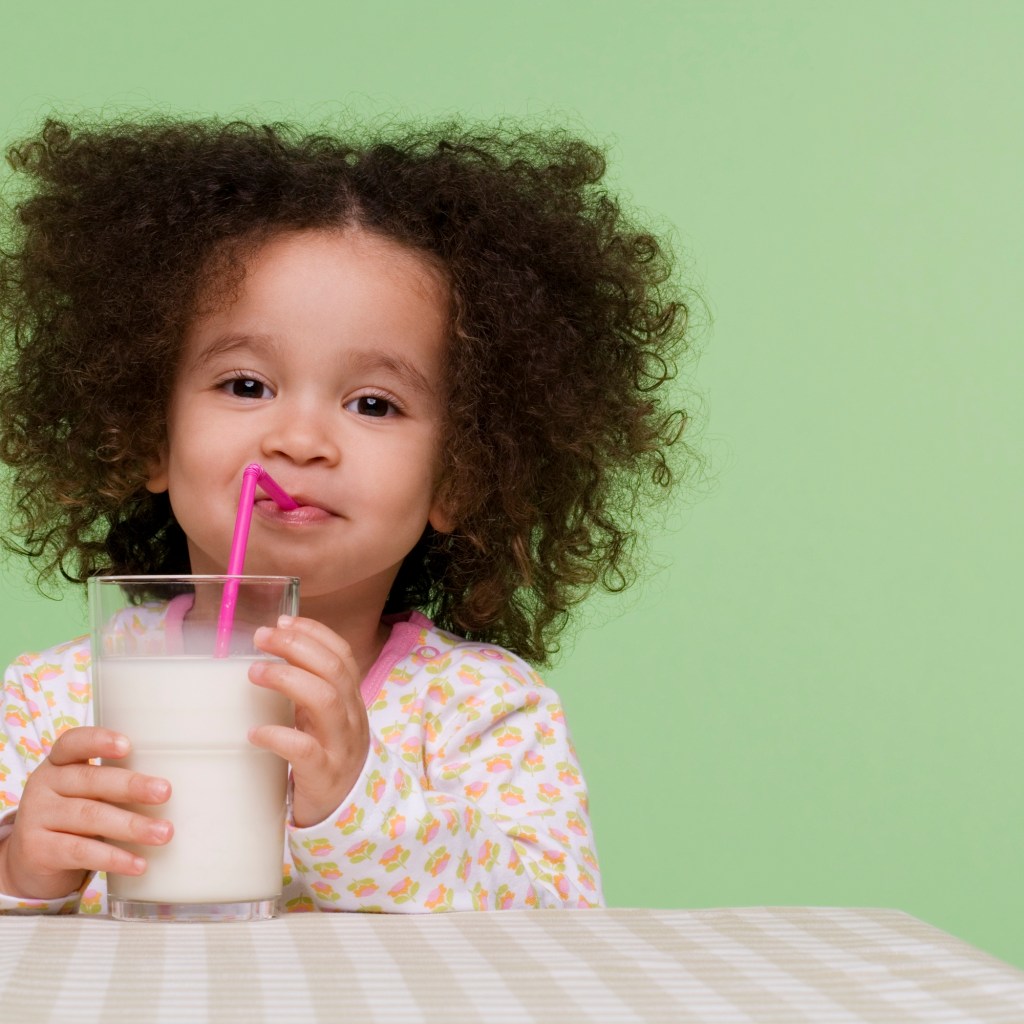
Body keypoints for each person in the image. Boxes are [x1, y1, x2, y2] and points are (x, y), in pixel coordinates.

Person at [0, 115, 698, 914]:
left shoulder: (479, 711)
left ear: (461, 476)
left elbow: (558, 920)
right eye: (245, 385)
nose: (298, 440)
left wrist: (358, 806)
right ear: (145, 435)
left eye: (373, 403)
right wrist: (21, 869)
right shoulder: (53, 698)